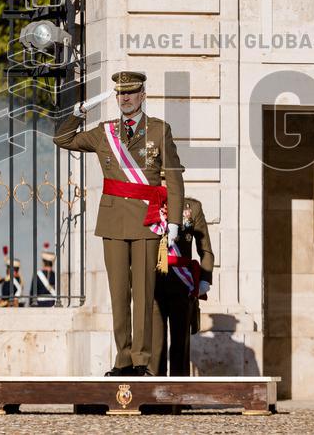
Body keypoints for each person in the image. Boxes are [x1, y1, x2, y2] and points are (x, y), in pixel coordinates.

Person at [53, 70, 185, 376]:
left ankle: (141, 361)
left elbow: (174, 178)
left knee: (143, 294)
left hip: (146, 221)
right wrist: (78, 113)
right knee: (118, 294)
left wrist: (174, 221)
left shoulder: (158, 130)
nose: (125, 98)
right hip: (112, 220)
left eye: (131, 92)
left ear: (142, 95)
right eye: (120, 94)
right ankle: (123, 360)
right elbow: (62, 139)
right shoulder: (104, 131)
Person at [150, 197, 215, 377]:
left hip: (182, 282)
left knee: (181, 343)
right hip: (154, 280)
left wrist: (205, 279)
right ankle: (154, 396)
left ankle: (180, 395)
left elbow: (206, 249)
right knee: (156, 346)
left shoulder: (192, 207)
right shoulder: (147, 202)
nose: (164, 181)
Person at [31, 242, 57, 307]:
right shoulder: (55, 275)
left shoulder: (37, 275)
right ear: (52, 262)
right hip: (53, 304)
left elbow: (32, 292)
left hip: (40, 304)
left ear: (43, 262)